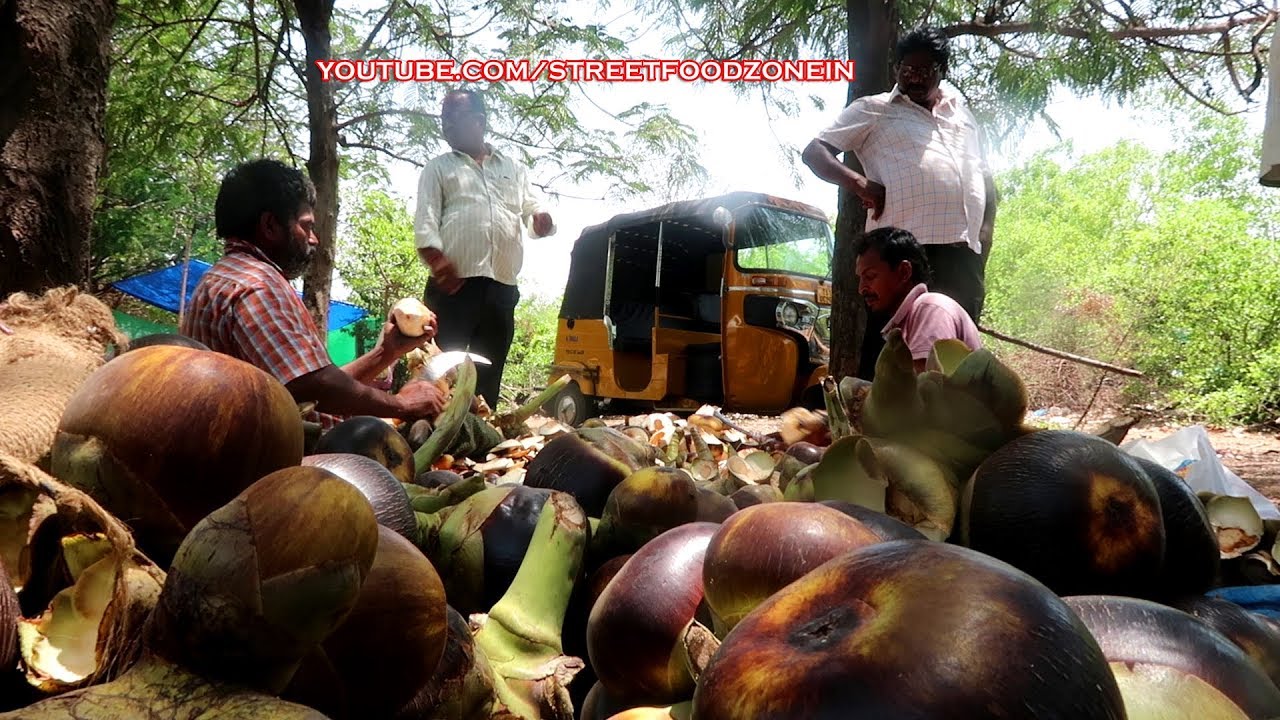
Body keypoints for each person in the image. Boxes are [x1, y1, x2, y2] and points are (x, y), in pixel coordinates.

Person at [181, 158, 446, 427]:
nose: (313, 239)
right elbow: (314, 387)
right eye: (306, 226)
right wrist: (402, 404)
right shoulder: (257, 285)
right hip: (276, 465)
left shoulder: (225, 275)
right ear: (270, 226)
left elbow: (308, 385)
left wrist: (386, 353)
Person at [802, 26, 997, 324]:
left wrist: (982, 242)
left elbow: (983, 178)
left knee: (955, 360)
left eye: (925, 69)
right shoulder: (874, 109)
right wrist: (859, 183)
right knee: (894, 355)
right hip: (902, 259)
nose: (915, 76)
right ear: (896, 69)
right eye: (907, 69)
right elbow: (815, 152)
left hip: (962, 257)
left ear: (943, 70)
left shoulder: (963, 116)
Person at [413, 88, 556, 409]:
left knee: (487, 375)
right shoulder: (438, 168)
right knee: (440, 370)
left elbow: (532, 209)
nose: (446, 125)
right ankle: (430, 443)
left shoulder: (513, 169)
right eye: (443, 119)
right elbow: (426, 222)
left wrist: (541, 220)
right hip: (453, 288)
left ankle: (478, 446)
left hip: (501, 290)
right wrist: (437, 261)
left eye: (454, 117)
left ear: (479, 121)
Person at [854, 226, 982, 372]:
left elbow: (925, 387)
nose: (861, 289)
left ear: (904, 272)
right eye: (861, 279)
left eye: (870, 276)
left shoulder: (929, 309)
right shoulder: (909, 320)